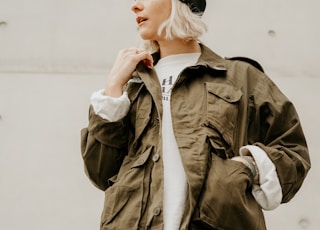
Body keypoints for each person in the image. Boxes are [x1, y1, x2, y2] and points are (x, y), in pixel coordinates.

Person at [80, 0, 311, 229]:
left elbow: (293, 150)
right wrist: (112, 89)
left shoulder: (240, 77)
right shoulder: (132, 86)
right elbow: (101, 173)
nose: (135, 6)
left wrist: (246, 167)